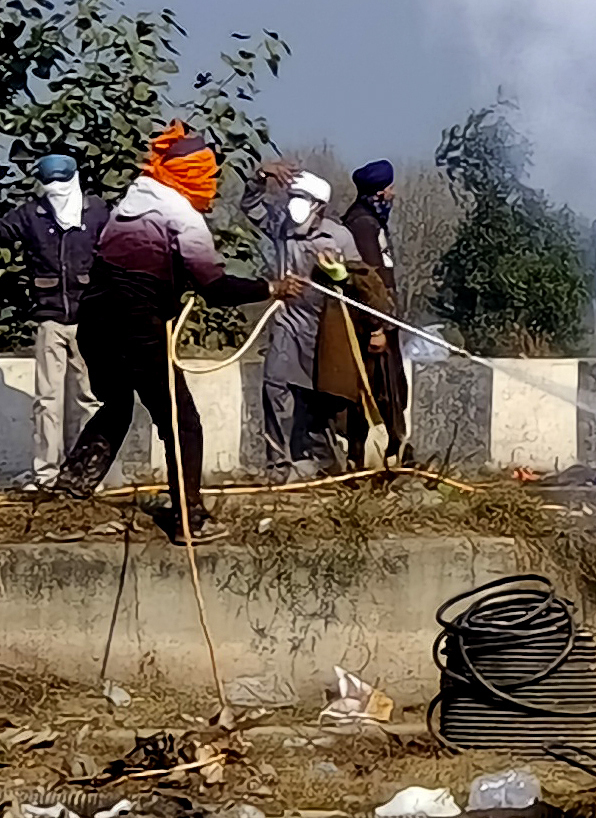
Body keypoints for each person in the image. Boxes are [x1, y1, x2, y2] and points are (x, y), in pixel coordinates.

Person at [54, 125, 303, 539]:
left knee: (117, 405)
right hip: (138, 327)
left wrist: (258, 175)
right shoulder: (184, 218)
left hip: (95, 321)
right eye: (209, 175)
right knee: (181, 420)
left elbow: (193, 152)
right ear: (195, 178)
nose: (213, 183)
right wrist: (270, 289)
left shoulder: (137, 195)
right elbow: (215, 287)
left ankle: (70, 487)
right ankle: (189, 519)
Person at [248, 165, 365, 479]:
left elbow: (360, 281)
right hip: (288, 321)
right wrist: (260, 178)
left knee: (318, 398)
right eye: (292, 197)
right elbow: (250, 205)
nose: (294, 205)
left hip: (326, 329)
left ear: (321, 207)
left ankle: (325, 458)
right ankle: (277, 466)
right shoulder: (281, 226)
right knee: (274, 386)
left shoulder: (339, 236)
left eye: (303, 198)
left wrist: (339, 274)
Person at [2, 153, 108, 486]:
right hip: (49, 318)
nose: (57, 189)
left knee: (92, 398)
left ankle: (92, 474)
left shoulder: (97, 214)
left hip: (90, 319)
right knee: (47, 401)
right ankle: (46, 475)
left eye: (62, 181)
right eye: (51, 183)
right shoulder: (32, 215)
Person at [337, 161, 410, 467]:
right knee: (374, 392)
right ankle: (366, 459)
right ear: (378, 192)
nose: (393, 194)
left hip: (385, 322)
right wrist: (376, 326)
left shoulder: (372, 222)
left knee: (392, 390)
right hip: (371, 326)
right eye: (389, 189)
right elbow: (368, 281)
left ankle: (396, 454)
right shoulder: (362, 225)